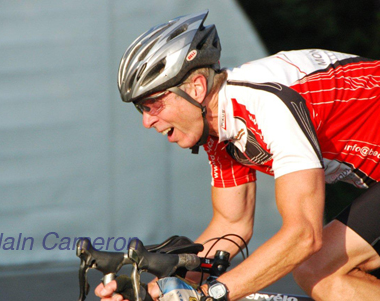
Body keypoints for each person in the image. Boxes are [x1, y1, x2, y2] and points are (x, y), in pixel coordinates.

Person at [96, 10, 380, 301]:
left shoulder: (267, 103)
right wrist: (153, 290)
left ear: (196, 88)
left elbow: (304, 234)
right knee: (320, 272)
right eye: (141, 108)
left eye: (154, 104)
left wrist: (210, 295)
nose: (147, 121)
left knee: (317, 270)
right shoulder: (218, 127)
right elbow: (231, 226)